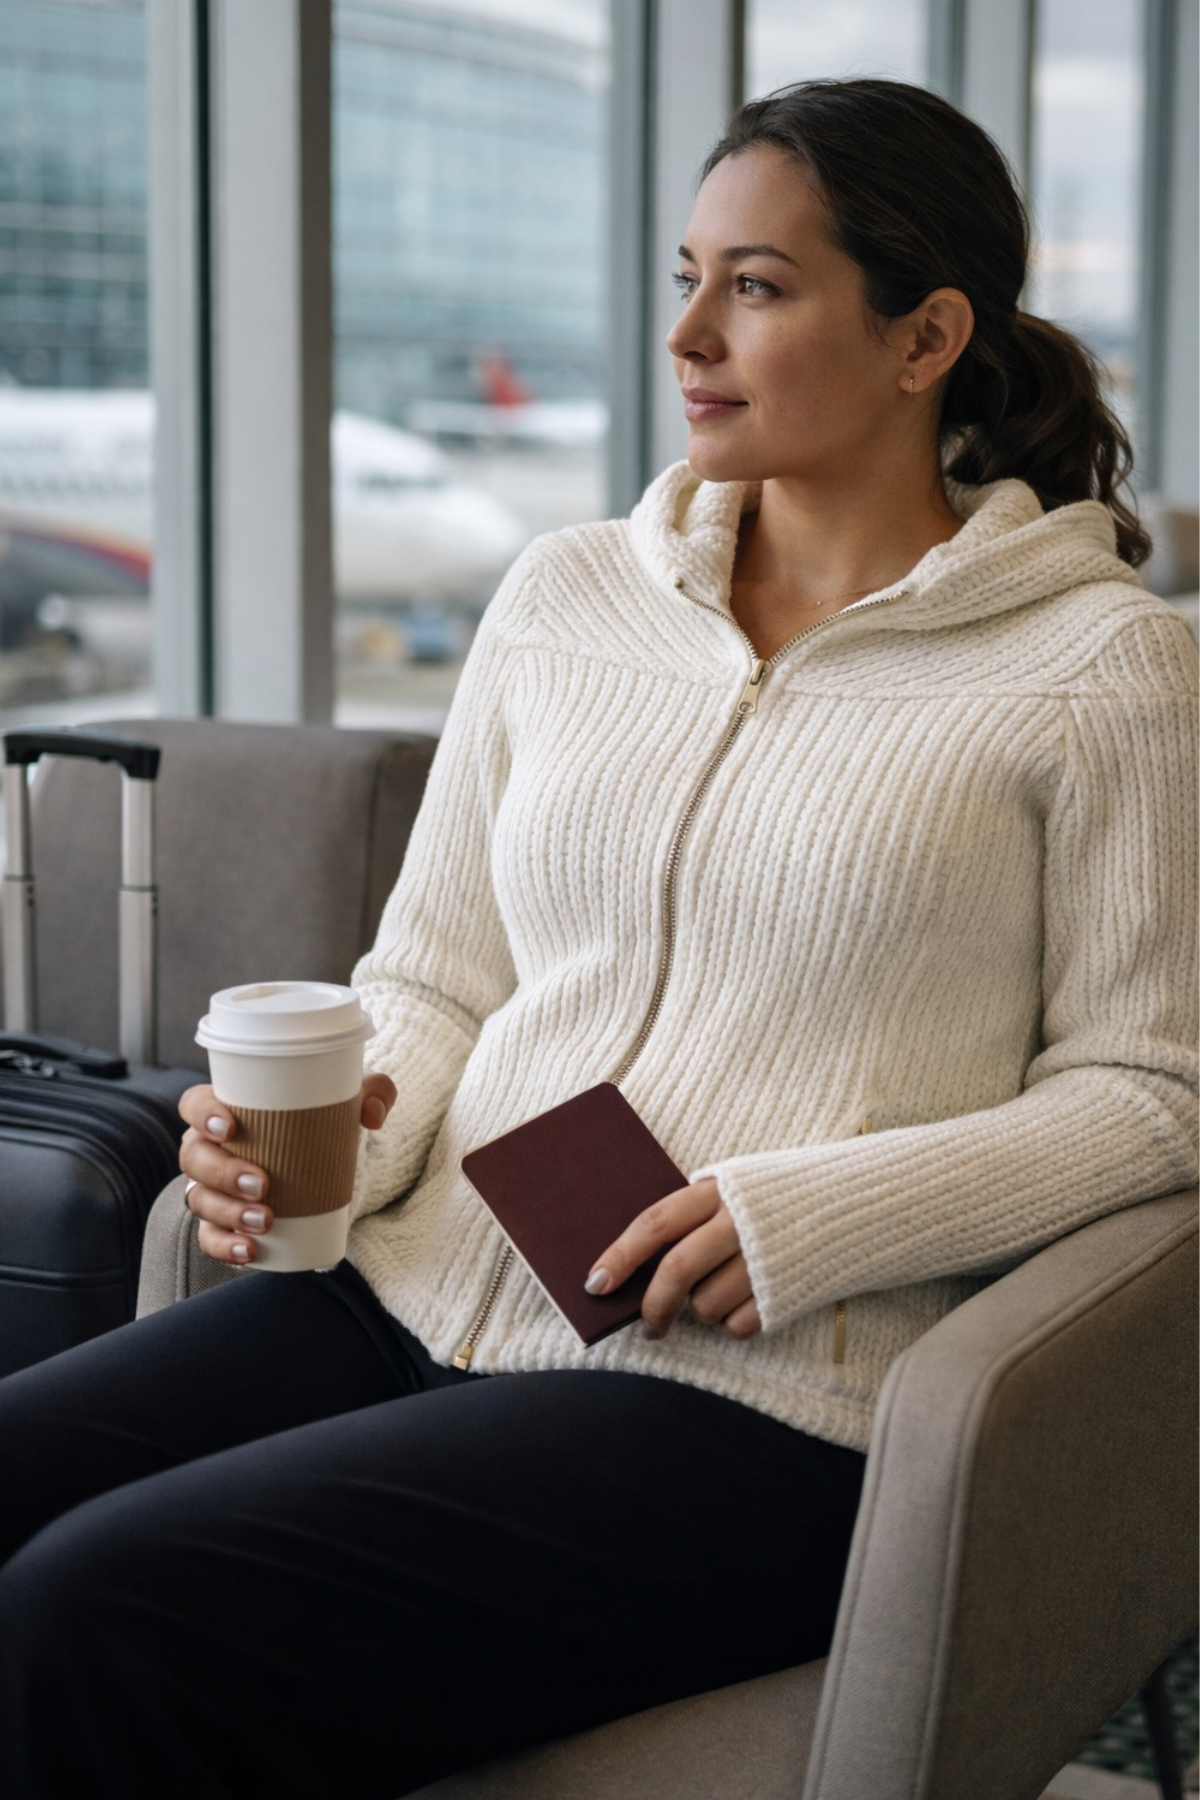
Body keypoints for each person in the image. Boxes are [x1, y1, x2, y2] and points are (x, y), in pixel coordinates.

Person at [1, 78, 1195, 1799]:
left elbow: (1157, 1091)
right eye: (691, 273)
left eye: (760, 287)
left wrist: (811, 1216)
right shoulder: (568, 596)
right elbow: (439, 973)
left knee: (86, 1611)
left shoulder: (1102, 671)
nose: (688, 332)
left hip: (755, 1399)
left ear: (928, 332)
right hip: (413, 1287)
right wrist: (350, 1119)